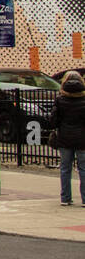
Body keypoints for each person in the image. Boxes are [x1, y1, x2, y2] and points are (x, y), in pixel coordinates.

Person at [47, 71, 85, 206]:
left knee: (65, 168)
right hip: (82, 139)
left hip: (64, 138)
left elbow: (53, 120)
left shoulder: (60, 99)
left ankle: (65, 198)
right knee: (83, 169)